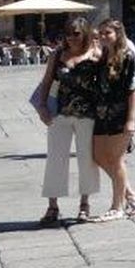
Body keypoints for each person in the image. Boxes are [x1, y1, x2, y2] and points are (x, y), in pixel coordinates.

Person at [33, 18, 102, 225]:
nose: (71, 38)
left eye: (76, 33)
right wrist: (42, 107)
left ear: (86, 33)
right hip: (59, 114)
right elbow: (47, 81)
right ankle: (52, 206)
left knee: (87, 160)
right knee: (55, 159)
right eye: (68, 34)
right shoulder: (57, 55)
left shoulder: (96, 55)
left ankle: (84, 204)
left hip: (87, 115)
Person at [90, 19, 135, 221]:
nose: (103, 36)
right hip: (102, 113)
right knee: (98, 156)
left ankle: (117, 207)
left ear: (118, 34)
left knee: (116, 159)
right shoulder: (103, 56)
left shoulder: (127, 56)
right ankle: (130, 194)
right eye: (101, 33)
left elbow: (134, 89)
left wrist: (131, 120)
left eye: (108, 33)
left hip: (121, 114)